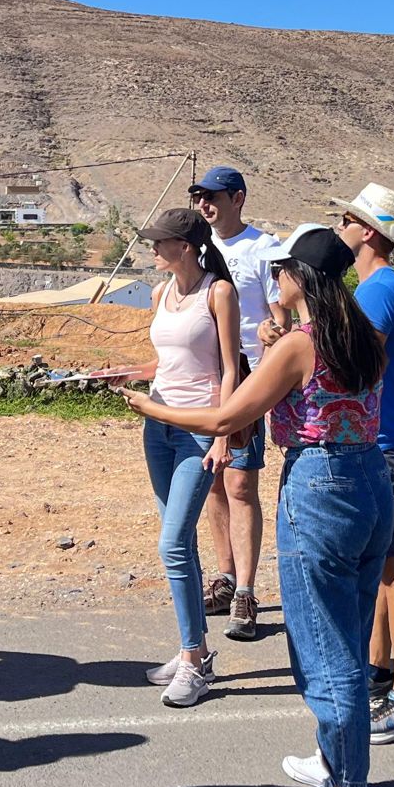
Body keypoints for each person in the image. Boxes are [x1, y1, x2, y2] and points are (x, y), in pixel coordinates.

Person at [124, 224, 391, 787]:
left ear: (301, 278)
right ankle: (335, 761)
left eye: (282, 272)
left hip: (319, 484)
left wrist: (153, 406)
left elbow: (229, 414)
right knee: (346, 626)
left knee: (324, 644)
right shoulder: (364, 336)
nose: (275, 279)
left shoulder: (300, 345)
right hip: (370, 481)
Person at [331, 183, 394, 746]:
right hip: (387, 439)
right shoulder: (382, 287)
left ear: (367, 231)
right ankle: (378, 677)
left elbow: (353, 366)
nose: (341, 228)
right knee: (380, 568)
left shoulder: (377, 292)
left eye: (345, 220)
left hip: (385, 442)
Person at [128, 206, 243, 707]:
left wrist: (224, 433)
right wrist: (126, 373)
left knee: (172, 544)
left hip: (198, 430)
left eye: (160, 242)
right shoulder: (161, 293)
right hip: (158, 428)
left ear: (186, 246)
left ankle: (195, 661)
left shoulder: (218, 292)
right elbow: (168, 361)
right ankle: (191, 647)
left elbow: (229, 368)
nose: (152, 249)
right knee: (181, 547)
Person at [189, 166, 278, 641]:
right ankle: (224, 576)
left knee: (242, 483)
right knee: (214, 481)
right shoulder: (199, 248)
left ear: (238, 198)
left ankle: (246, 588)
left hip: (246, 378)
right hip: (204, 378)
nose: (205, 205)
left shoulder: (264, 249)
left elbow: (276, 317)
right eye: (200, 197)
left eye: (214, 197)